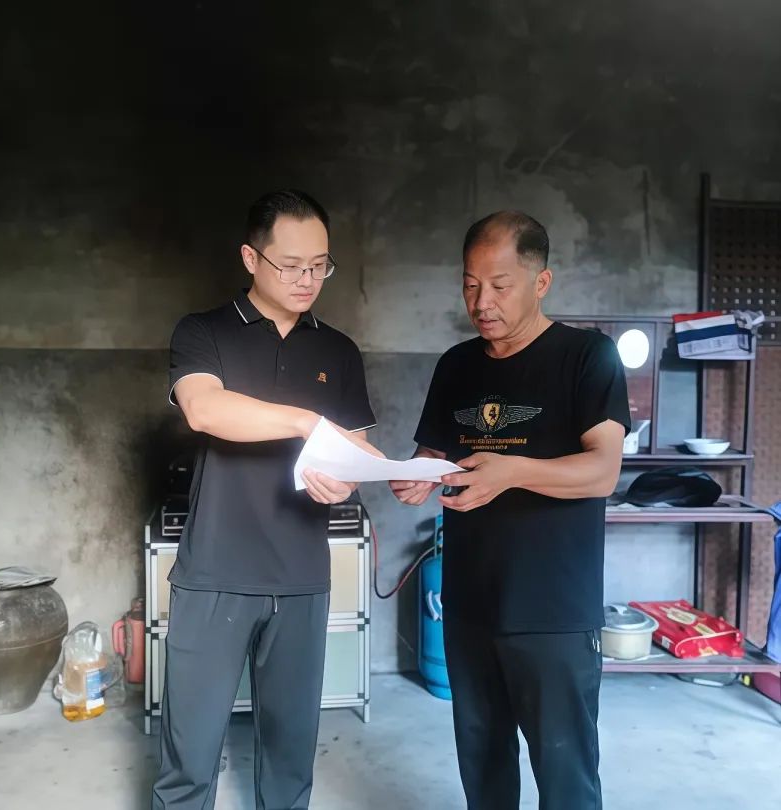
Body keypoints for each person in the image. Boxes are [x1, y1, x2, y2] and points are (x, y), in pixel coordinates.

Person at [390, 211, 630, 810]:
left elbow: (602, 471)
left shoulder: (587, 356)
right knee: (484, 770)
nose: (482, 301)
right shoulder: (456, 365)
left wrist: (512, 470)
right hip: (470, 604)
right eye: (471, 285)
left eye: (500, 285)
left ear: (540, 282)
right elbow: (434, 453)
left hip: (552, 610)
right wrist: (413, 474)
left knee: (565, 774)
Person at [153, 189, 378, 810]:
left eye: (321, 266)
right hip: (215, 574)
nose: (308, 280)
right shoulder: (204, 331)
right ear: (251, 258)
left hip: (302, 576)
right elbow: (204, 409)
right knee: (189, 758)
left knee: (289, 759)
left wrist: (349, 478)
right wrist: (307, 422)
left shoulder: (338, 351)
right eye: (292, 265)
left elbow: (355, 449)